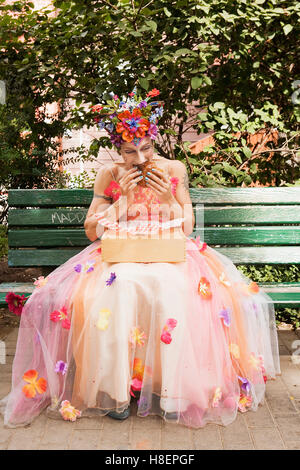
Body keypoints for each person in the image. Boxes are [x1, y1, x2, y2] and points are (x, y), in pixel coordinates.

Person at [0, 87, 280, 429]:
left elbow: (188, 225)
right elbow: (92, 231)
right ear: (118, 150)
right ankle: (114, 390)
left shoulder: (173, 169)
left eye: (146, 148)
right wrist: (122, 200)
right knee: (118, 289)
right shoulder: (110, 175)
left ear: (154, 141)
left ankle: (173, 389)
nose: (142, 158)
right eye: (131, 152)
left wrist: (168, 198)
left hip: (169, 251)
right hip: (120, 255)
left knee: (171, 287)